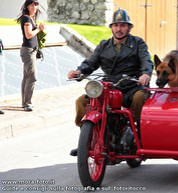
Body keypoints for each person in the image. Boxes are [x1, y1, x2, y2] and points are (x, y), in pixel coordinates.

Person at [67, 8, 153, 156]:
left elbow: (146, 60)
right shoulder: (104, 45)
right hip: (109, 85)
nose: (119, 29)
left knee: (140, 98)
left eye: (122, 25)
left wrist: (145, 73)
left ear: (129, 27)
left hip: (132, 85)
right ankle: (87, 139)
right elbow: (90, 62)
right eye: (116, 25)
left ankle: (136, 132)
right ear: (111, 27)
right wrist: (79, 72)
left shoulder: (138, 43)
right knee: (81, 101)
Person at [16, 0, 45, 112]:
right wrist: (39, 29)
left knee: (27, 77)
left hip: (31, 50)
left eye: (36, 4)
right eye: (32, 4)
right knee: (32, 77)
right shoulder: (26, 18)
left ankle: (24, 102)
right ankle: (27, 103)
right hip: (28, 51)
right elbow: (28, 35)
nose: (34, 6)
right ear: (27, 6)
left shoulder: (31, 18)